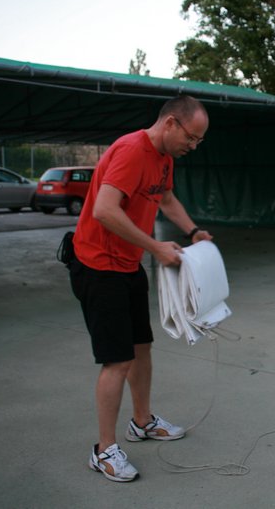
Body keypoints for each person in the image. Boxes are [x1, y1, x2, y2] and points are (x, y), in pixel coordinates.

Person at [69, 96, 213, 483]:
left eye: (199, 140)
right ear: (170, 123)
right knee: (116, 360)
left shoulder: (164, 159)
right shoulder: (133, 150)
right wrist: (155, 247)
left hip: (128, 264)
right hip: (98, 267)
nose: (193, 146)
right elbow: (104, 209)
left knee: (140, 348)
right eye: (192, 137)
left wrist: (193, 231)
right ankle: (103, 450)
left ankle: (142, 421)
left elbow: (165, 199)